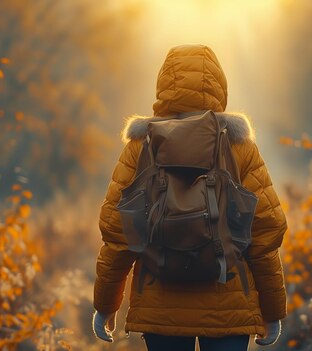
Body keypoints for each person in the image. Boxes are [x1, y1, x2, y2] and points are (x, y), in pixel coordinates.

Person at [92, 44, 288, 351]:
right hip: (230, 306)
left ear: (163, 86)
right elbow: (265, 232)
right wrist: (273, 311)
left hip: (160, 305)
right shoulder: (239, 146)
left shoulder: (141, 145)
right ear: (220, 86)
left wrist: (105, 304)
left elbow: (117, 232)